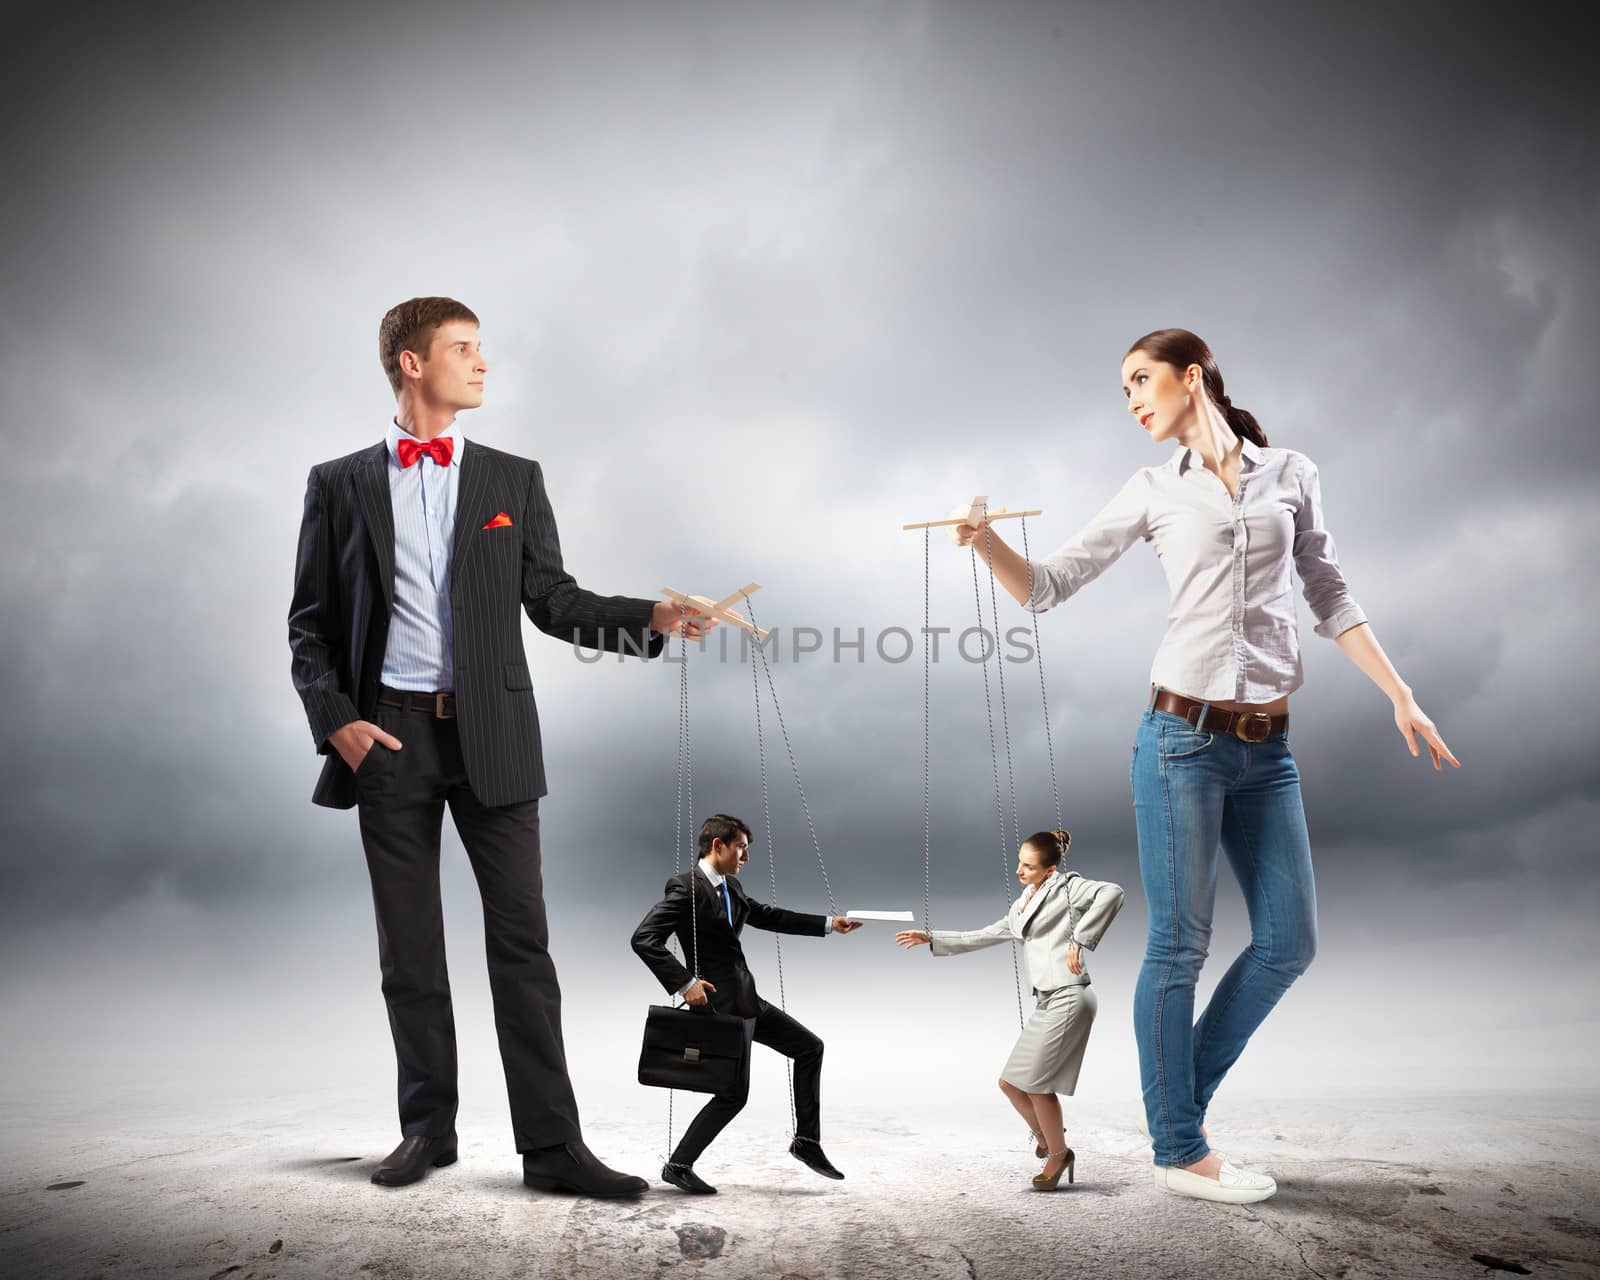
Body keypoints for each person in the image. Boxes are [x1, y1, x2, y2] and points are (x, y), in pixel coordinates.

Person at [949, 328, 1459, 1204]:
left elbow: (1329, 594)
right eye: (1125, 391)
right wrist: (984, 541)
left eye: (1142, 380)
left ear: (1195, 378)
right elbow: (1048, 585)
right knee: (1179, 945)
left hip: (1271, 751)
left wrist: (1400, 694)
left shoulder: (1292, 472)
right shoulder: (1151, 489)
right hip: (1178, 740)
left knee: (1288, 943)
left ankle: (1175, 1109)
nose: (1134, 400)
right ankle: (1180, 1148)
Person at [288, 296, 717, 1199]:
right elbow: (311, 624)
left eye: (481, 349)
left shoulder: (512, 479)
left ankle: (553, 1149)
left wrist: (653, 618)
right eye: (462, 349)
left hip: (496, 735)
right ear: (412, 365)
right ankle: (426, 1131)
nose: (482, 364)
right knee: (409, 949)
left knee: (523, 945)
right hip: (387, 737)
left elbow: (553, 600)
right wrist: (335, 719)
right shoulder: (338, 483)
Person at [631, 814, 863, 1194]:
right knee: (733, 1095)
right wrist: (685, 982)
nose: (746, 857)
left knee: (809, 1048)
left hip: (747, 999)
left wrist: (828, 924)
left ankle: (806, 1142)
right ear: (718, 845)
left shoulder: (731, 887)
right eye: (741, 848)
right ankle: (678, 1165)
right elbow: (644, 938)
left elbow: (769, 916)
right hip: (719, 1006)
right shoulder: (686, 890)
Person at [897, 828, 1123, 1191]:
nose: (1020, 871)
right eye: (1019, 862)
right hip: (1047, 1000)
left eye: (1029, 867)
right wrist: (933, 938)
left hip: (1068, 995)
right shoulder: (1023, 902)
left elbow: (1113, 892)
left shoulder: (1066, 887)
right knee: (1010, 1084)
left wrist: (1081, 938)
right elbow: (986, 934)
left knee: (1036, 1085)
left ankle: (1058, 1155)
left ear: (1049, 871)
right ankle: (1048, 1139)